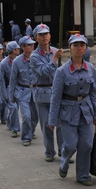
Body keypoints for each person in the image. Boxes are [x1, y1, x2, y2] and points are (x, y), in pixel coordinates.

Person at [49, 34, 96, 186]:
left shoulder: (90, 68)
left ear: (86, 48)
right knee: (71, 145)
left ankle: (83, 175)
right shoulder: (62, 71)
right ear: (69, 48)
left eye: (82, 45)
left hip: (86, 111)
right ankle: (64, 161)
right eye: (75, 45)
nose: (79, 48)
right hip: (68, 112)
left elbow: (94, 93)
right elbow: (56, 97)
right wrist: (52, 120)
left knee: (87, 144)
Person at [30, 23, 64, 162]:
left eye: (46, 34)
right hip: (42, 92)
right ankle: (49, 152)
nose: (44, 37)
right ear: (36, 38)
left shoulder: (55, 50)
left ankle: (63, 151)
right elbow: (44, 72)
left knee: (61, 125)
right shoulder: (34, 56)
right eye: (41, 35)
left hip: (57, 92)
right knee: (46, 125)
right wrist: (55, 59)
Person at [9, 35, 38, 146]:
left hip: (35, 91)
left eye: (32, 44)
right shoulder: (17, 61)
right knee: (26, 116)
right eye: (29, 45)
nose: (31, 46)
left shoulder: (37, 58)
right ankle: (26, 137)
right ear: (22, 47)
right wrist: (11, 96)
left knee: (35, 116)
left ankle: (31, 131)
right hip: (23, 91)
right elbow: (12, 80)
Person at [0, 41, 21, 137]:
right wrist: (4, 95)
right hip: (9, 88)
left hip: (20, 88)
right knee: (14, 107)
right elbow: (1, 81)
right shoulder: (3, 63)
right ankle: (15, 129)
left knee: (15, 108)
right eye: (17, 49)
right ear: (13, 50)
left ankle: (9, 122)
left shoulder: (21, 60)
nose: (19, 50)